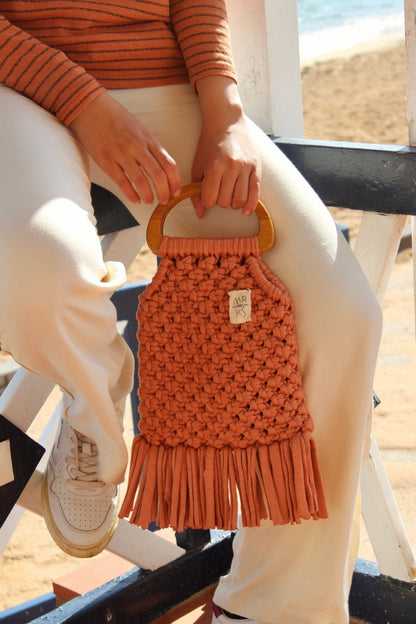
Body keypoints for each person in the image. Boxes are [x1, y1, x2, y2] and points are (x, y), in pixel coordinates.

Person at [0, 1, 382, 622]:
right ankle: (93, 418)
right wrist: (83, 104)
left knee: (340, 314)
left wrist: (225, 109)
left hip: (162, 73)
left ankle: (271, 605)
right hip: (15, 87)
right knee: (40, 275)